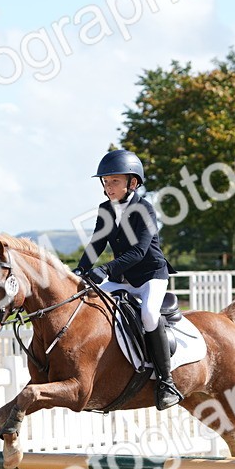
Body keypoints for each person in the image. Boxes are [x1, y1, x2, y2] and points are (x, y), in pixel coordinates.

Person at [73, 149, 181, 410]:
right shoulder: (105, 210)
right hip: (123, 277)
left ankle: (166, 383)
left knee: (148, 316)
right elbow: (96, 243)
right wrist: (79, 270)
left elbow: (139, 252)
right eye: (106, 182)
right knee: (89, 299)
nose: (109, 187)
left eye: (115, 181)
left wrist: (106, 270)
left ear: (132, 183)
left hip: (151, 276)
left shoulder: (144, 209)